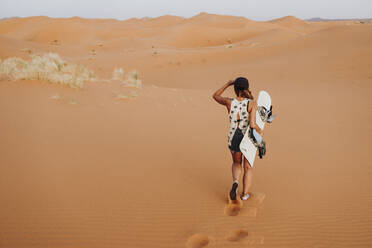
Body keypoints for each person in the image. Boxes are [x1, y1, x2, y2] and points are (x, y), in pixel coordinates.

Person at [212, 77, 263, 201]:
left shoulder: (229, 102)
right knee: (248, 167)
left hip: (233, 137)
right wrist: (259, 130)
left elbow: (215, 95)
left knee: (236, 163)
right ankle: (245, 194)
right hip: (247, 139)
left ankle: (235, 182)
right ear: (247, 88)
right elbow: (252, 124)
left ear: (235, 88)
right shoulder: (251, 103)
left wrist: (228, 83)